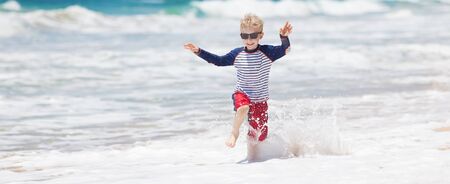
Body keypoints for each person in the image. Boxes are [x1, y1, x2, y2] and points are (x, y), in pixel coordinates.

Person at [184, 13, 292, 161]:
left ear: (261, 35)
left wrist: (283, 37)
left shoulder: (267, 52)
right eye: (244, 36)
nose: (249, 40)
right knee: (243, 108)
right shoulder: (237, 54)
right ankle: (234, 134)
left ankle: (252, 158)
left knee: (259, 134)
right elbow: (219, 61)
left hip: (260, 99)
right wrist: (198, 51)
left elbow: (285, 50)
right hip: (242, 93)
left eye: (253, 36)